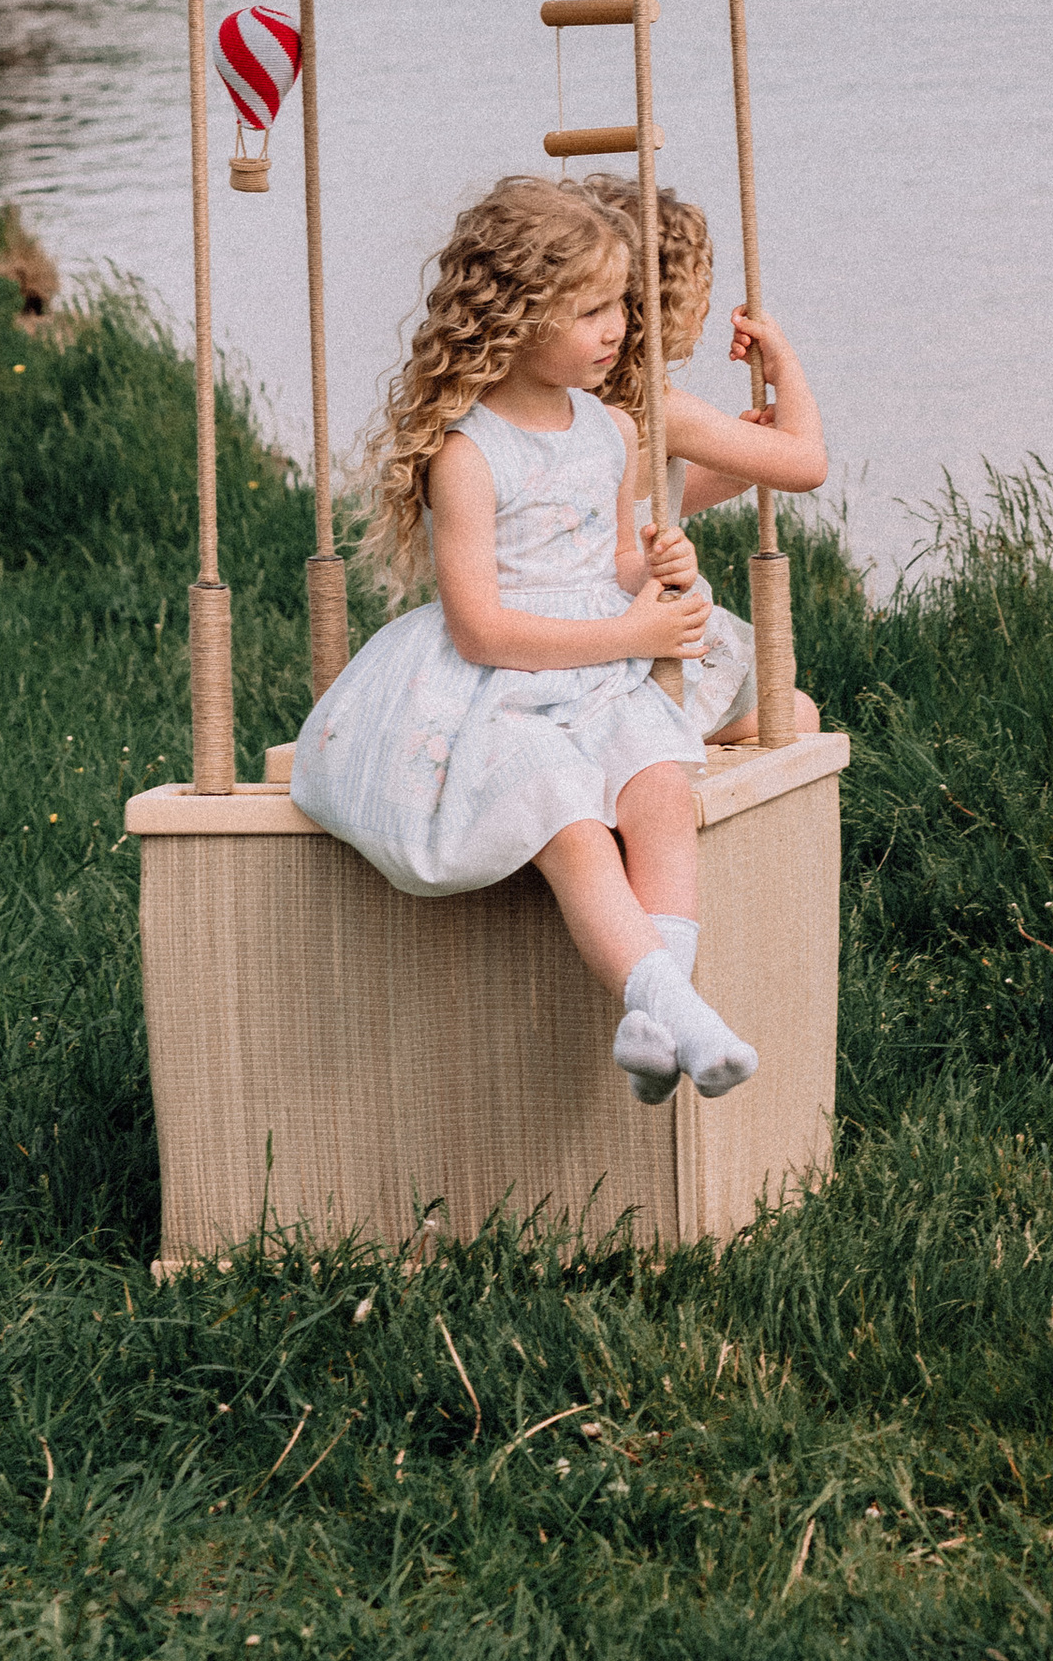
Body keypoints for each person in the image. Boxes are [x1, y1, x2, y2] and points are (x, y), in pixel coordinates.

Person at [291, 175, 757, 1105]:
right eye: (589, 311)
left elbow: (609, 559)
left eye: (619, 304)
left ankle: (655, 1021)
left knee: (662, 792)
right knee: (571, 825)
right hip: (497, 689)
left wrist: (653, 565)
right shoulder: (468, 454)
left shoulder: (611, 430)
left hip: (599, 674)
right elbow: (481, 628)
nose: (617, 329)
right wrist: (629, 631)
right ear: (514, 317)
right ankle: (687, 1014)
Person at [580, 179, 828, 748]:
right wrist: (784, 367)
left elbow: (639, 507)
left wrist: (740, 464)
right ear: (679, 303)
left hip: (580, 617)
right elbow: (807, 464)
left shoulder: (570, 400)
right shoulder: (659, 407)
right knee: (795, 712)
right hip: (638, 629)